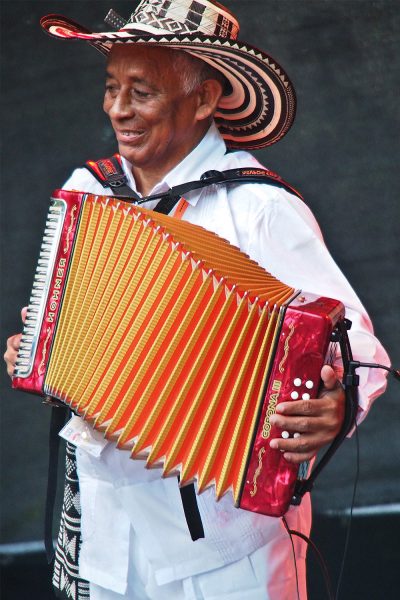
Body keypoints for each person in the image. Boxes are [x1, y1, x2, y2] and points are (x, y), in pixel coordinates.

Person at [4, 1, 389, 599]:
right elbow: (71, 328)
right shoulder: (91, 193)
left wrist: (338, 406)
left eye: (141, 91)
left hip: (225, 546)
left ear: (205, 100)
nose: (119, 110)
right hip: (103, 528)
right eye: (112, 88)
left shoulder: (260, 208)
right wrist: (41, 351)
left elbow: (360, 349)